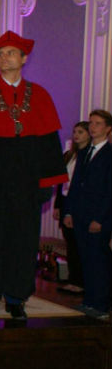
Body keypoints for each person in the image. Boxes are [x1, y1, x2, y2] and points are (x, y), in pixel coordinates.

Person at [0, 30, 67, 319]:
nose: (5, 58)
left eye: (11, 53)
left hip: (26, 184)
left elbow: (49, 145)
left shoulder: (41, 96)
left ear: (24, 58)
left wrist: (46, 184)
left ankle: (15, 298)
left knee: (22, 243)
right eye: (1, 53)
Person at [61, 110, 112, 319]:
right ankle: (89, 300)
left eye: (98, 123)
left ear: (108, 129)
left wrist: (100, 218)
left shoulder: (109, 155)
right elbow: (74, 185)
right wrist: (68, 211)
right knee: (86, 260)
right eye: (91, 122)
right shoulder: (84, 152)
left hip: (98, 217)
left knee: (98, 261)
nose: (92, 127)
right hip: (80, 214)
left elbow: (109, 191)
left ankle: (101, 304)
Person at [53, 121, 90, 293]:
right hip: (66, 201)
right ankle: (73, 279)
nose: (76, 135)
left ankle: (80, 281)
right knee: (70, 243)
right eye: (75, 132)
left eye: (81, 132)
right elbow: (61, 183)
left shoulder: (88, 155)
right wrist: (58, 205)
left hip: (78, 204)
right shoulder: (69, 155)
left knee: (79, 244)